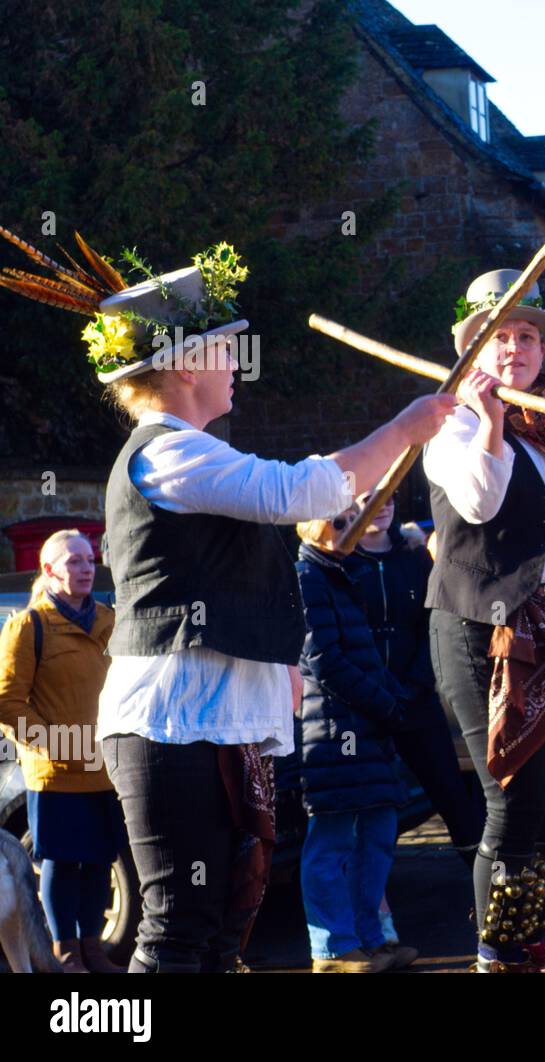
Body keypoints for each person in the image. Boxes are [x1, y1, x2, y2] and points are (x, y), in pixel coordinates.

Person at [0, 229, 456, 972]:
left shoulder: (193, 451)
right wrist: (404, 428)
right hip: (169, 725)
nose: (236, 363)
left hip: (209, 723)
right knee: (179, 931)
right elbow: (294, 490)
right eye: (222, 347)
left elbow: (289, 514)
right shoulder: (165, 450)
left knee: (216, 934)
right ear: (182, 366)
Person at [423, 269, 545, 973]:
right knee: (509, 801)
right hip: (483, 632)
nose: (514, 348)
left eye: (527, 335)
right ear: (473, 346)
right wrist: (492, 420)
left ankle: (530, 945)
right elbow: (478, 503)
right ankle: (495, 957)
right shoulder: (454, 423)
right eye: (498, 335)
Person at [294, 509, 419, 973]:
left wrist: (392, 696)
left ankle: (369, 940)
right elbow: (323, 660)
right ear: (310, 523)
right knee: (331, 841)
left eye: (351, 517)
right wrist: (384, 703)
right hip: (334, 731)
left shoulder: (343, 572)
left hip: (365, 726)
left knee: (378, 835)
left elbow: (363, 655)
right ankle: (330, 949)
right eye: (338, 518)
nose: (349, 525)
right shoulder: (307, 575)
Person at [0, 530, 125, 973]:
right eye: (74, 561)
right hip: (55, 772)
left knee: (98, 861)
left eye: (89, 560)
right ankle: (65, 951)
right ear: (49, 570)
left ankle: (93, 948)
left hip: (105, 768)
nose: (86, 568)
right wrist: (55, 746)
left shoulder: (111, 621)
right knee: (60, 861)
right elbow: (9, 703)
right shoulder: (28, 626)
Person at [351, 491, 484, 870]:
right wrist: (376, 689)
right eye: (368, 497)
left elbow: (435, 624)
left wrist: (417, 680)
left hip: (416, 699)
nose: (384, 504)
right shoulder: (341, 565)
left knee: (453, 796)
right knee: (372, 805)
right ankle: (377, 905)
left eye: (390, 495)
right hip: (368, 705)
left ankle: (488, 888)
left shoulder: (413, 559)